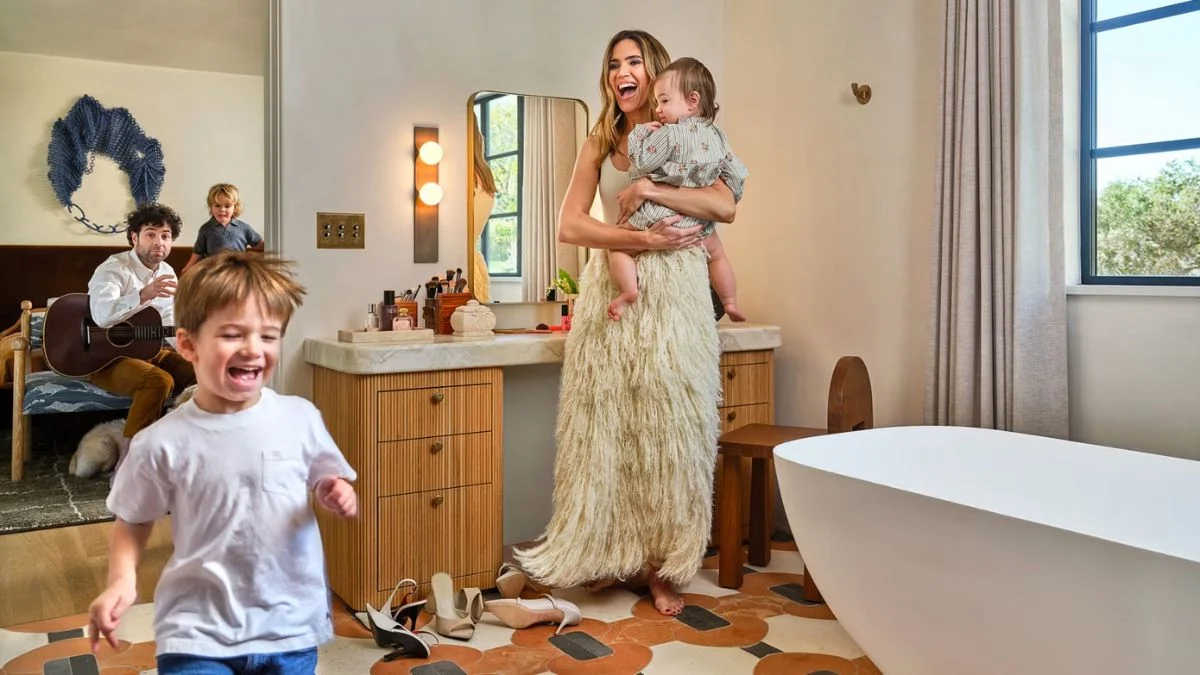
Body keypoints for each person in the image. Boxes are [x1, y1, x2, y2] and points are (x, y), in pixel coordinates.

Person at [514, 29, 743, 616]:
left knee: (672, 430)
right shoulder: (600, 141)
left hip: (678, 296)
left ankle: (663, 567)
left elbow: (724, 206)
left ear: (655, 72)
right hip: (614, 292)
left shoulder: (692, 136)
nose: (623, 71)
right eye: (615, 63)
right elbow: (569, 225)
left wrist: (648, 187)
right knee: (608, 429)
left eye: (634, 61)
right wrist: (640, 238)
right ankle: (610, 553)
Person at [87, 251, 359, 674]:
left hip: (289, 627)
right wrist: (121, 580)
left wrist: (333, 489)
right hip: (198, 632)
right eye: (233, 334)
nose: (253, 349)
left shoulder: (299, 418)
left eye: (268, 336)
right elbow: (132, 519)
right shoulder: (161, 442)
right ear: (188, 344)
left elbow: (326, 474)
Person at [606, 56, 748, 322]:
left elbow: (643, 161)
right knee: (717, 255)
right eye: (657, 102)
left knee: (618, 248)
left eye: (664, 101)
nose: (659, 109)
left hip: (659, 214)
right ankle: (730, 301)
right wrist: (729, 190)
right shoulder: (718, 136)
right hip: (698, 221)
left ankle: (629, 291)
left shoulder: (669, 133)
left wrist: (640, 134)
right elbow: (736, 174)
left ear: (692, 101)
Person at [86, 203, 197, 468]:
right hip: (103, 357)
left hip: (149, 351)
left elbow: (169, 320)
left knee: (202, 371)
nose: (159, 242)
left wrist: (192, 350)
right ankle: (130, 463)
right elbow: (102, 315)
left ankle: (183, 450)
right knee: (157, 381)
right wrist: (143, 294)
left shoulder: (167, 272)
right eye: (151, 234)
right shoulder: (113, 268)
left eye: (166, 236)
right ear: (134, 237)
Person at [181, 183, 264, 274]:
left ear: (235, 207)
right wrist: (187, 268)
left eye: (227, 206)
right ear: (211, 207)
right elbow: (198, 252)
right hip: (213, 273)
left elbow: (260, 244)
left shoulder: (243, 228)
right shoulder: (206, 229)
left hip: (237, 273)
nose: (222, 209)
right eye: (217, 205)